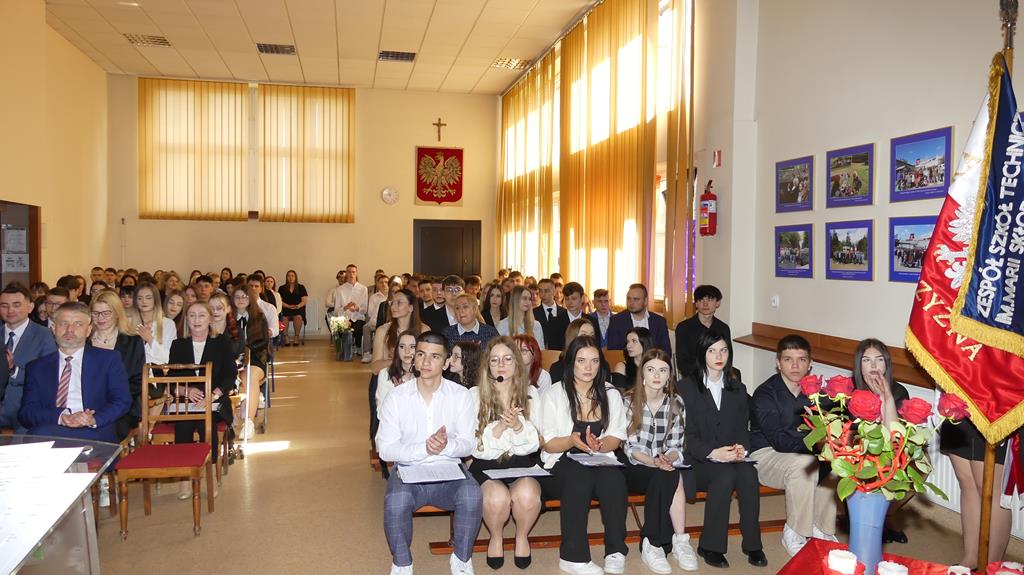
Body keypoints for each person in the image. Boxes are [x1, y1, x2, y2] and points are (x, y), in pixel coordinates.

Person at [376, 332, 482, 575]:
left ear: (446, 363)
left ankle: (462, 558)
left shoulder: (461, 395)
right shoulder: (397, 397)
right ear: (413, 359)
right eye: (421, 354)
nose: (425, 362)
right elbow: (386, 449)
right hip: (409, 470)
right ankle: (402, 562)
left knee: (472, 495)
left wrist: (446, 446)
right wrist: (423, 448)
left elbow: (468, 444)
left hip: (449, 469)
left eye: (435, 357)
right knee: (396, 501)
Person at [537, 335, 629, 575]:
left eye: (594, 361)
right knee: (580, 477)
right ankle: (573, 556)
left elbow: (616, 437)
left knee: (615, 479)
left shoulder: (610, 393)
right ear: (571, 362)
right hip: (561, 459)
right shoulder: (554, 393)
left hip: (598, 457)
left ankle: (615, 550)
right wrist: (571, 440)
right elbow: (548, 443)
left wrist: (600, 445)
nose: (589, 367)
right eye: (581, 361)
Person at [677, 330, 766, 568]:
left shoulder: (738, 389)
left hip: (729, 457)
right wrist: (712, 453)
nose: (719, 356)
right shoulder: (685, 388)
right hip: (698, 459)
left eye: (723, 350)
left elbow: (743, 429)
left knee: (749, 474)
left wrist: (741, 449)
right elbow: (683, 436)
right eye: (712, 351)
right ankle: (710, 545)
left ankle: (753, 544)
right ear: (702, 354)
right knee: (724, 475)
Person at [749, 335, 837, 557]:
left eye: (801, 359)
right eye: (788, 359)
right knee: (805, 464)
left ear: (810, 364)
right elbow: (779, 441)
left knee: (837, 463)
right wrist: (819, 446)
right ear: (778, 363)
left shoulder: (816, 393)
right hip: (765, 455)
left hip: (805, 453)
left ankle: (822, 529)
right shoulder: (765, 394)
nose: (795, 365)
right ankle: (795, 531)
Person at [468, 336, 542, 570]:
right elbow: (475, 447)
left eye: (507, 359)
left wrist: (518, 426)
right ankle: (496, 536)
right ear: (487, 365)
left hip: (522, 462)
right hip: (487, 464)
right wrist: (500, 428)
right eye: (495, 360)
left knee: (528, 495)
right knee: (497, 498)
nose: (501, 364)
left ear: (517, 362)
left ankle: (521, 536)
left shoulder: (531, 393)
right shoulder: (474, 395)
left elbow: (535, 443)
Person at [622, 349, 698, 572]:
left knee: (670, 474)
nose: (657, 375)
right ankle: (662, 542)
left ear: (669, 375)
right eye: (651, 369)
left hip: (663, 464)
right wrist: (654, 461)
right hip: (635, 465)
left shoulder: (676, 403)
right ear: (642, 373)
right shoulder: (629, 401)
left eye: (663, 370)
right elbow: (631, 448)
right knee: (668, 476)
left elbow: (676, 445)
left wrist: (668, 459)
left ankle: (666, 542)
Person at [19, 301, 131, 443]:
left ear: (88, 330)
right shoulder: (37, 367)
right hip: (53, 428)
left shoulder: (108, 360)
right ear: (53, 328)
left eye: (78, 324)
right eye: (63, 323)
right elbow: (27, 412)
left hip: (93, 429)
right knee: (37, 435)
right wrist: (61, 417)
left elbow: (122, 401)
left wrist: (93, 419)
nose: (70, 330)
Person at [169, 301, 237, 499]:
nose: (196, 320)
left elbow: (230, 375)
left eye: (201, 315)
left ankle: (210, 476)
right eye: (192, 315)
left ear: (209, 319)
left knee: (207, 422)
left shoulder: (222, 342)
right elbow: (172, 377)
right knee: (184, 422)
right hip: (186, 401)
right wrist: (185, 390)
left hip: (215, 400)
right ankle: (185, 478)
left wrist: (213, 395)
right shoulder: (178, 345)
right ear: (186, 320)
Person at [851, 338, 912, 544]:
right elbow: (854, 438)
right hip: (859, 452)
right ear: (859, 365)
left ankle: (887, 515)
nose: (874, 366)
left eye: (879, 360)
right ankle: (872, 519)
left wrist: (886, 398)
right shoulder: (850, 391)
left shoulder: (899, 391)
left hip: (888, 450)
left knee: (912, 466)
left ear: (886, 364)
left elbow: (894, 437)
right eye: (866, 360)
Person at [88, 290, 146, 440]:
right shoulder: (84, 341)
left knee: (109, 428)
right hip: (88, 404)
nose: (100, 318)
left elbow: (138, 380)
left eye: (106, 313)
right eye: (96, 313)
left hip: (123, 406)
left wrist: (110, 396)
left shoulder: (133, 342)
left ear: (117, 313)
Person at [0, 284, 58, 429]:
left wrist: (13, 370)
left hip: (26, 411)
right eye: (4, 305)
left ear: (30, 307)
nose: (10, 310)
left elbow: (48, 377)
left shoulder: (44, 335)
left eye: (16, 305)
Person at [230, 286, 269, 440]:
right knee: (239, 376)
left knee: (249, 377)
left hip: (256, 357)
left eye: (244, 297)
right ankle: (238, 408)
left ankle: (249, 422)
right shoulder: (227, 317)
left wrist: (247, 350)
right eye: (237, 297)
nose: (241, 300)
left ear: (250, 299)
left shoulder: (259, 317)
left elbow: (264, 342)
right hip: (232, 358)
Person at [675, 285, 733, 378]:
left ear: (717, 303)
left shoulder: (723, 328)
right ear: (696, 303)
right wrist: (705, 375)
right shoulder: (683, 328)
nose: (705, 304)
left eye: (710, 299)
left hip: (718, 376)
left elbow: (728, 358)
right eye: (701, 300)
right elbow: (682, 362)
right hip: (693, 377)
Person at [606, 284, 671, 355]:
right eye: (628, 299)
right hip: (626, 361)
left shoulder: (659, 322)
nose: (631, 303)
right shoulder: (616, 321)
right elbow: (614, 353)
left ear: (645, 301)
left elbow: (666, 352)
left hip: (653, 361)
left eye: (636, 299)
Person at [374, 331, 418, 421]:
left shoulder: (425, 375)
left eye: (412, 347)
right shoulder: (385, 374)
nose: (407, 351)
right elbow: (381, 413)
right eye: (402, 347)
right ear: (397, 350)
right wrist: (398, 396)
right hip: (393, 426)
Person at [549, 318, 602, 385]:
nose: (589, 339)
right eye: (583, 335)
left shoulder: (602, 366)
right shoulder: (558, 369)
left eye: (592, 336)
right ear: (572, 337)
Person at [329, 264, 369, 352]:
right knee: (340, 328)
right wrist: (345, 307)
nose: (351, 274)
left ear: (356, 273)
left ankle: (358, 347)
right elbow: (336, 311)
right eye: (349, 272)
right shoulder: (339, 290)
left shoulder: (363, 289)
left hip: (358, 317)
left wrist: (357, 308)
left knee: (358, 328)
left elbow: (365, 309)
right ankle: (345, 349)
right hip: (344, 318)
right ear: (346, 273)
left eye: (353, 272)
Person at [611, 327, 653, 392]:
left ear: (645, 343)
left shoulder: (655, 365)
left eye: (634, 341)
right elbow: (617, 395)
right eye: (628, 342)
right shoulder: (622, 366)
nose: (628, 346)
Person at [533, 278, 569, 350]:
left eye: (546, 291)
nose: (543, 294)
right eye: (540, 291)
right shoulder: (533, 313)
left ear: (554, 292)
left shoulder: (564, 312)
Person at [363, 274, 391, 363]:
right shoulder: (373, 297)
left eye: (386, 282)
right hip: (374, 322)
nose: (384, 284)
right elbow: (370, 313)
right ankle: (367, 353)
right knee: (365, 327)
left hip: (387, 322)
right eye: (381, 282)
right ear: (377, 284)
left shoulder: (391, 296)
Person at [279, 270, 308, 346]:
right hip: (286, 308)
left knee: (298, 317)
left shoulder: (301, 287)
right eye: (289, 276)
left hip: (298, 308)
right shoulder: (282, 288)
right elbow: (279, 301)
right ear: (286, 277)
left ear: (295, 277)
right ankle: (286, 337)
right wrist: (288, 306)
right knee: (284, 318)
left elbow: (304, 301)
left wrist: (298, 306)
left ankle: (296, 337)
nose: (290, 277)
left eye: (292, 276)